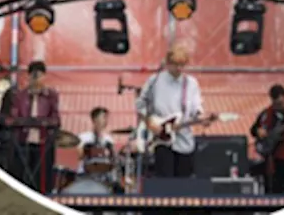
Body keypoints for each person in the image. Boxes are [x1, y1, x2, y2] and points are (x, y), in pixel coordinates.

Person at [136, 46, 214, 179]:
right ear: (168, 63)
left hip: (183, 138)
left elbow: (196, 107)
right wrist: (150, 123)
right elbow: (140, 105)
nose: (179, 69)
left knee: (183, 180)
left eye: (182, 65)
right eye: (176, 65)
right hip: (161, 138)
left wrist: (202, 118)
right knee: (165, 179)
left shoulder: (191, 83)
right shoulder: (155, 81)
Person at [0, 61, 61, 194]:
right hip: (22, 141)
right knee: (21, 176)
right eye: (33, 75)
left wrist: (36, 123)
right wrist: (32, 122)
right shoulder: (20, 96)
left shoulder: (50, 96)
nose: (36, 79)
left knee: (42, 179)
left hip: (43, 142)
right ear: (29, 76)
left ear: (44, 76)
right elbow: (11, 119)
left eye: (39, 75)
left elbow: (55, 120)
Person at [250, 85, 284, 194]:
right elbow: (254, 129)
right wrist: (258, 131)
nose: (279, 106)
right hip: (273, 158)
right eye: (276, 103)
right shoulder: (266, 114)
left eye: (281, 103)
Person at [77, 107, 121, 190]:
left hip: (104, 174)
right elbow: (78, 155)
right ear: (94, 119)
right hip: (86, 174)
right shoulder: (83, 137)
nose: (105, 121)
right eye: (103, 117)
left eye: (106, 118)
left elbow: (113, 158)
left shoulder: (109, 139)